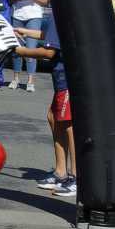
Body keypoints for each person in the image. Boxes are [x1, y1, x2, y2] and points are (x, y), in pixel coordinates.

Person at [42, 38, 78, 199]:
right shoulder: (54, 23)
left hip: (67, 79)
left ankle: (76, 177)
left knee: (69, 126)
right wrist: (24, 32)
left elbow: (49, 52)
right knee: (53, 117)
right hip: (61, 78)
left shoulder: (58, 21)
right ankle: (61, 172)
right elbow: (48, 36)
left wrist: (18, 51)